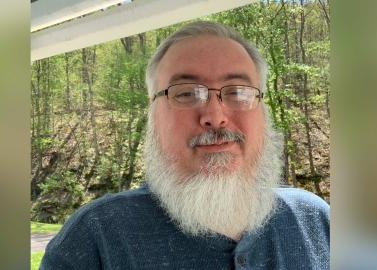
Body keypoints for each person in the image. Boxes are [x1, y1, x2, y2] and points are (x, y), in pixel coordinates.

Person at [40, 21, 329, 270]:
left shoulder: (316, 222)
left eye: (239, 92)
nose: (215, 117)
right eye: (186, 93)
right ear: (152, 115)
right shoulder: (95, 238)